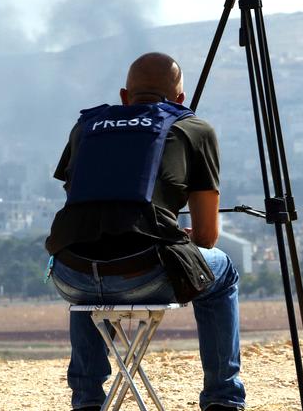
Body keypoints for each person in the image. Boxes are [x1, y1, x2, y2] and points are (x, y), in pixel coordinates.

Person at [46, 52, 245, 411]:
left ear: (125, 97)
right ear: (180, 99)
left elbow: (81, 206)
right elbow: (206, 238)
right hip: (145, 273)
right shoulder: (193, 128)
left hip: (70, 275)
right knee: (224, 271)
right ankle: (223, 399)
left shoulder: (85, 128)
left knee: (90, 272)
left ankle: (87, 401)